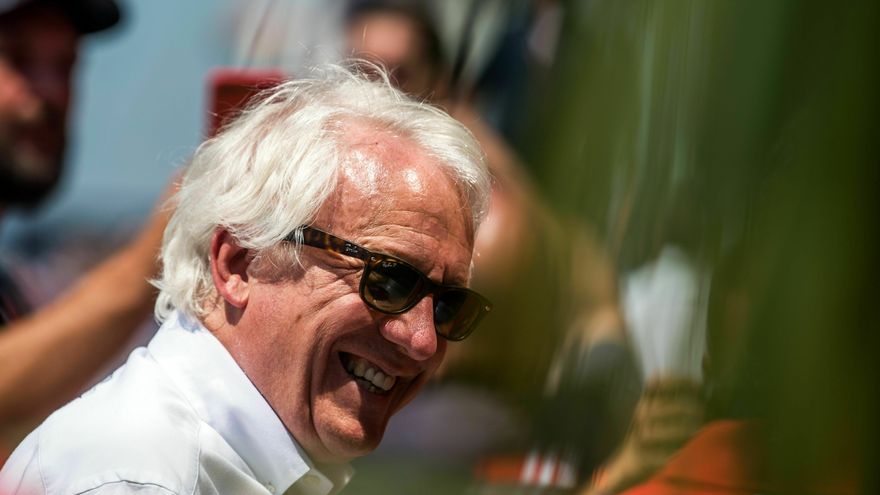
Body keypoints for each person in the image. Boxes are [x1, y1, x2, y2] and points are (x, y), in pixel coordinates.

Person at [0, 62, 493, 494]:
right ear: (239, 264)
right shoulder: (138, 478)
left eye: (449, 306)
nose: (424, 341)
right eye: (389, 280)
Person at [0, 0, 175, 459]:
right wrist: (162, 247)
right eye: (17, 59)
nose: (51, 93)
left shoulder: (10, 292)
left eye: (66, 66)